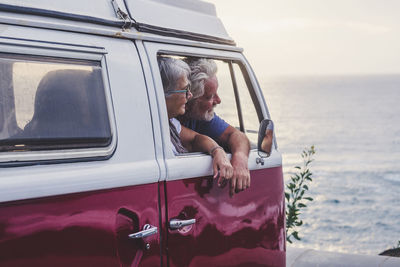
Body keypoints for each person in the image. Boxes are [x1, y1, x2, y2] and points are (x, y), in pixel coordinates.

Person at [179, 58, 251, 196]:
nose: (218, 100)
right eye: (210, 97)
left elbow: (235, 135)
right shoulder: (170, 122)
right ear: (189, 99)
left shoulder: (200, 117)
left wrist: (240, 159)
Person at [159, 57, 233, 183]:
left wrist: (217, 151)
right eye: (184, 90)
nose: (190, 95)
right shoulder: (151, 126)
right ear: (165, 93)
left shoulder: (170, 123)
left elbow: (195, 139)